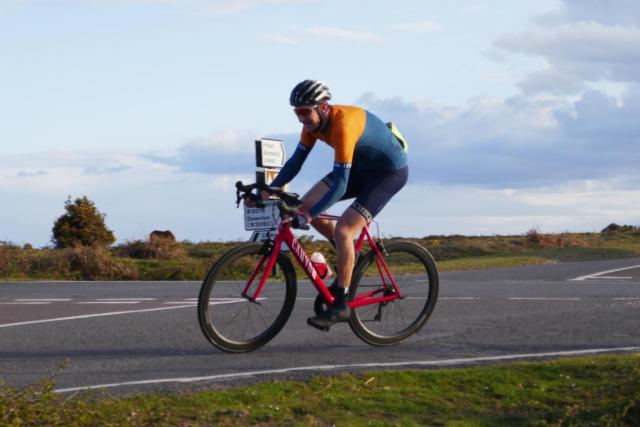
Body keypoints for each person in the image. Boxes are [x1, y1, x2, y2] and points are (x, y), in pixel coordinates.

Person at [269, 79, 409, 330]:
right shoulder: (311, 127)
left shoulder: (343, 124)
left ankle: (342, 304)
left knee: (344, 229)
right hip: (360, 169)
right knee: (303, 206)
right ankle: (350, 255)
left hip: (387, 174)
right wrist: (269, 189)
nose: (301, 118)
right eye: (296, 113)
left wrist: (310, 217)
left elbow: (340, 186)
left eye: (305, 111)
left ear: (323, 107)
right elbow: (295, 163)